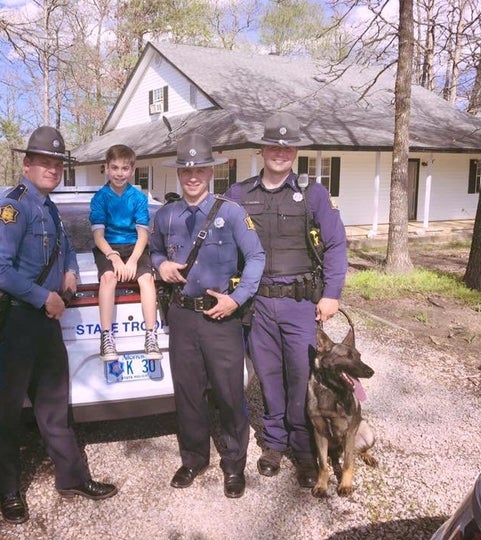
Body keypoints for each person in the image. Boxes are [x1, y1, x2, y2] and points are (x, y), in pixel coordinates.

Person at [0, 126, 118, 524]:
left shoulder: (49, 206)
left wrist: (72, 271)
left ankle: (71, 477)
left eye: (57, 163)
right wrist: (45, 297)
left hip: (45, 322)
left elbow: (64, 250)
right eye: (44, 161)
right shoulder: (11, 207)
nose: (52, 168)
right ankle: (6, 488)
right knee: (6, 410)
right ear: (27, 164)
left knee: (55, 405)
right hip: (16, 322)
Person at [224, 111, 348, 488]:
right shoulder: (238, 194)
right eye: (273, 145)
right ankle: (274, 444)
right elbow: (221, 244)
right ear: (262, 149)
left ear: (295, 151)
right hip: (258, 304)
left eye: (287, 146)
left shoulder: (313, 194)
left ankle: (305, 448)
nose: (280, 152)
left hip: (299, 305)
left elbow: (336, 244)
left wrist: (331, 294)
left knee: (301, 376)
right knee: (268, 376)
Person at [149, 133, 265, 498]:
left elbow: (257, 258)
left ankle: (234, 463)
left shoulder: (231, 212)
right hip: (182, 317)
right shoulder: (166, 215)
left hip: (221, 317)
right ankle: (194, 458)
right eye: (186, 169)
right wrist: (161, 264)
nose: (193, 175)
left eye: (200, 168)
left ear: (211, 171)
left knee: (230, 393)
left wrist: (238, 298)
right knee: (187, 393)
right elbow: (152, 253)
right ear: (179, 174)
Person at [89, 144, 161, 361]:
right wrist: (114, 258)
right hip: (108, 247)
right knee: (109, 277)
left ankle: (150, 335)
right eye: (115, 168)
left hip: (134, 247)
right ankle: (107, 336)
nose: (119, 173)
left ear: (132, 170)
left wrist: (132, 261)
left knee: (147, 278)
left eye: (124, 168)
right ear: (107, 169)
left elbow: (143, 234)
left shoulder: (138, 198)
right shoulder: (100, 198)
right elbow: (98, 236)